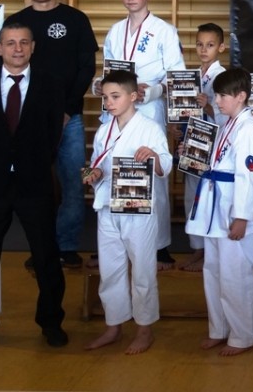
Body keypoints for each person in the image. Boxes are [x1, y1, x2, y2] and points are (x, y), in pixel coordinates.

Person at [0, 23, 68, 355]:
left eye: (23, 42)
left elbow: (53, 133)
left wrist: (29, 161)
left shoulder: (51, 85)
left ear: (33, 47)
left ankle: (51, 323)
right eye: (10, 43)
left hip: (34, 182)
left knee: (46, 255)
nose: (17, 48)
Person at [6, 0, 98, 268]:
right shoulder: (16, 22)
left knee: (74, 184)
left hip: (69, 119)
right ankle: (41, 248)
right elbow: (6, 69)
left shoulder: (75, 19)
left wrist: (67, 109)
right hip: (29, 120)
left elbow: (87, 68)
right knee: (34, 188)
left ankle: (67, 246)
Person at [94, 0, 186, 269]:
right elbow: (109, 72)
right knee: (113, 169)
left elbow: (177, 76)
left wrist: (155, 90)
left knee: (151, 172)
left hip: (148, 111)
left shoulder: (164, 31)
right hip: (117, 113)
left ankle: (158, 245)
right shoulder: (115, 31)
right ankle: (115, 237)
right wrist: (99, 85)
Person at [83, 70, 173, 354]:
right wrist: (94, 173)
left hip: (138, 209)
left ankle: (145, 329)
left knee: (143, 270)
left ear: (133, 96)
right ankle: (114, 325)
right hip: (108, 207)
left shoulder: (150, 128)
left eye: (115, 96)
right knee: (110, 269)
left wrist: (154, 156)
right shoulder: (103, 130)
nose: (109, 103)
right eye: (106, 97)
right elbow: (97, 164)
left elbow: (166, 163)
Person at [185, 68, 253, 356]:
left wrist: (242, 216)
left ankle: (243, 335)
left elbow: (251, 176)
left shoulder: (248, 129)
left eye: (222, 96)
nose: (217, 101)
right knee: (214, 271)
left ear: (241, 96)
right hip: (215, 209)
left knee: (236, 275)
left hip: (234, 212)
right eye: (216, 95)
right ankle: (219, 329)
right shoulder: (229, 124)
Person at [179, 23, 229, 272]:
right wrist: (177, 126)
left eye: (210, 45)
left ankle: (211, 250)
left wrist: (208, 106)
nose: (203, 49)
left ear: (221, 47)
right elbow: (184, 110)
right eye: (200, 44)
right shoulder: (194, 75)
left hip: (214, 143)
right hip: (193, 140)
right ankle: (197, 249)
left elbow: (228, 115)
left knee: (210, 196)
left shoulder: (223, 77)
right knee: (191, 195)